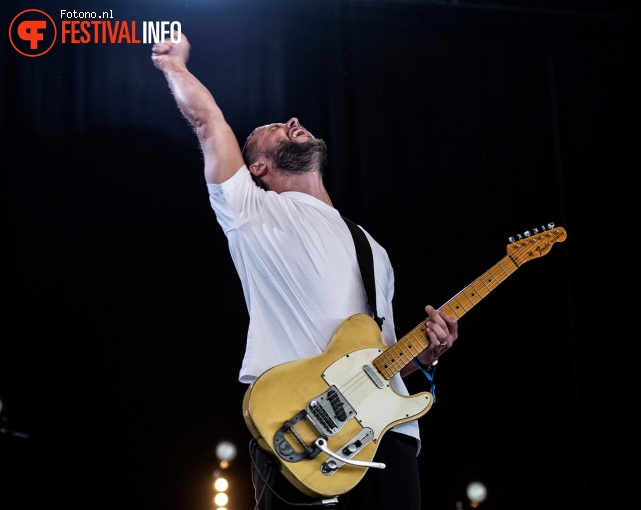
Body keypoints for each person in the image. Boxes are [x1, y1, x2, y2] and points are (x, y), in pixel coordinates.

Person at [151, 32, 458, 510]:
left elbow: (383, 350)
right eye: (276, 126)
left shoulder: (371, 248)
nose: (293, 121)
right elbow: (209, 123)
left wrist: (427, 354)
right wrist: (176, 68)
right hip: (301, 430)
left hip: (385, 439)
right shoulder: (252, 212)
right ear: (256, 166)